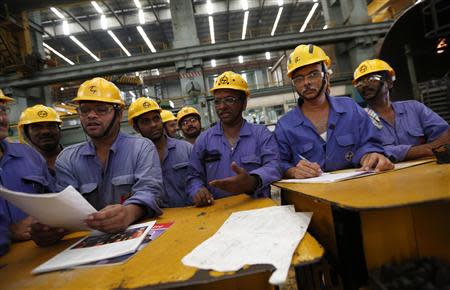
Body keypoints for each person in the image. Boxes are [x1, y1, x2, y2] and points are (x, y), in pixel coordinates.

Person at [31, 77, 163, 246]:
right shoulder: (67, 159)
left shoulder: (141, 148)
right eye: (85, 110)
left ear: (119, 114)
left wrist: (129, 213)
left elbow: (151, 191)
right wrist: (52, 229)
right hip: (89, 245)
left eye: (101, 109)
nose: (91, 116)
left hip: (138, 239)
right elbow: (65, 209)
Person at [275, 44, 393, 179]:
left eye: (313, 74)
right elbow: (278, 162)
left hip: (357, 188)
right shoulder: (285, 126)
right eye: (299, 78)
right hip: (311, 196)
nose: (306, 82)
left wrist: (370, 154)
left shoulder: (350, 109)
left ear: (327, 76)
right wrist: (291, 171)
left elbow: (370, 142)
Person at [187, 71, 282, 207]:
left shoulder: (261, 134)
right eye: (217, 101)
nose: (222, 107)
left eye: (229, 100)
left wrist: (253, 180)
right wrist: (198, 190)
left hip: (257, 209)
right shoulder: (204, 140)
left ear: (243, 104)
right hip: (217, 211)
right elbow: (193, 176)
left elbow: (274, 166)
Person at [353, 59, 450, 162]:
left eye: (372, 78)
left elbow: (445, 137)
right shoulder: (359, 120)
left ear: (389, 82)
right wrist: (425, 149)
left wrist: (394, 153)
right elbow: (364, 153)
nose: (364, 85)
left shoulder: (415, 108)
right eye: (359, 83)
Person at [0, 90, 53, 255]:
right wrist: (10, 232)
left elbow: (55, 198)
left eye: (2, 110)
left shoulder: (28, 155)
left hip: (43, 254)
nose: (1, 119)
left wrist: (52, 223)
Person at [128, 97, 193, 207]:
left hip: (191, 215)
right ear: (136, 128)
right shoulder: (134, 159)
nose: (153, 124)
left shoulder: (186, 149)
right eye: (146, 121)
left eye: (156, 118)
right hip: (157, 220)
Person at [18, 105, 63, 175]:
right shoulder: (22, 167)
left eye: (51, 126)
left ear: (59, 129)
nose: (45, 131)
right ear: (27, 133)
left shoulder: (74, 159)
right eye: (37, 127)